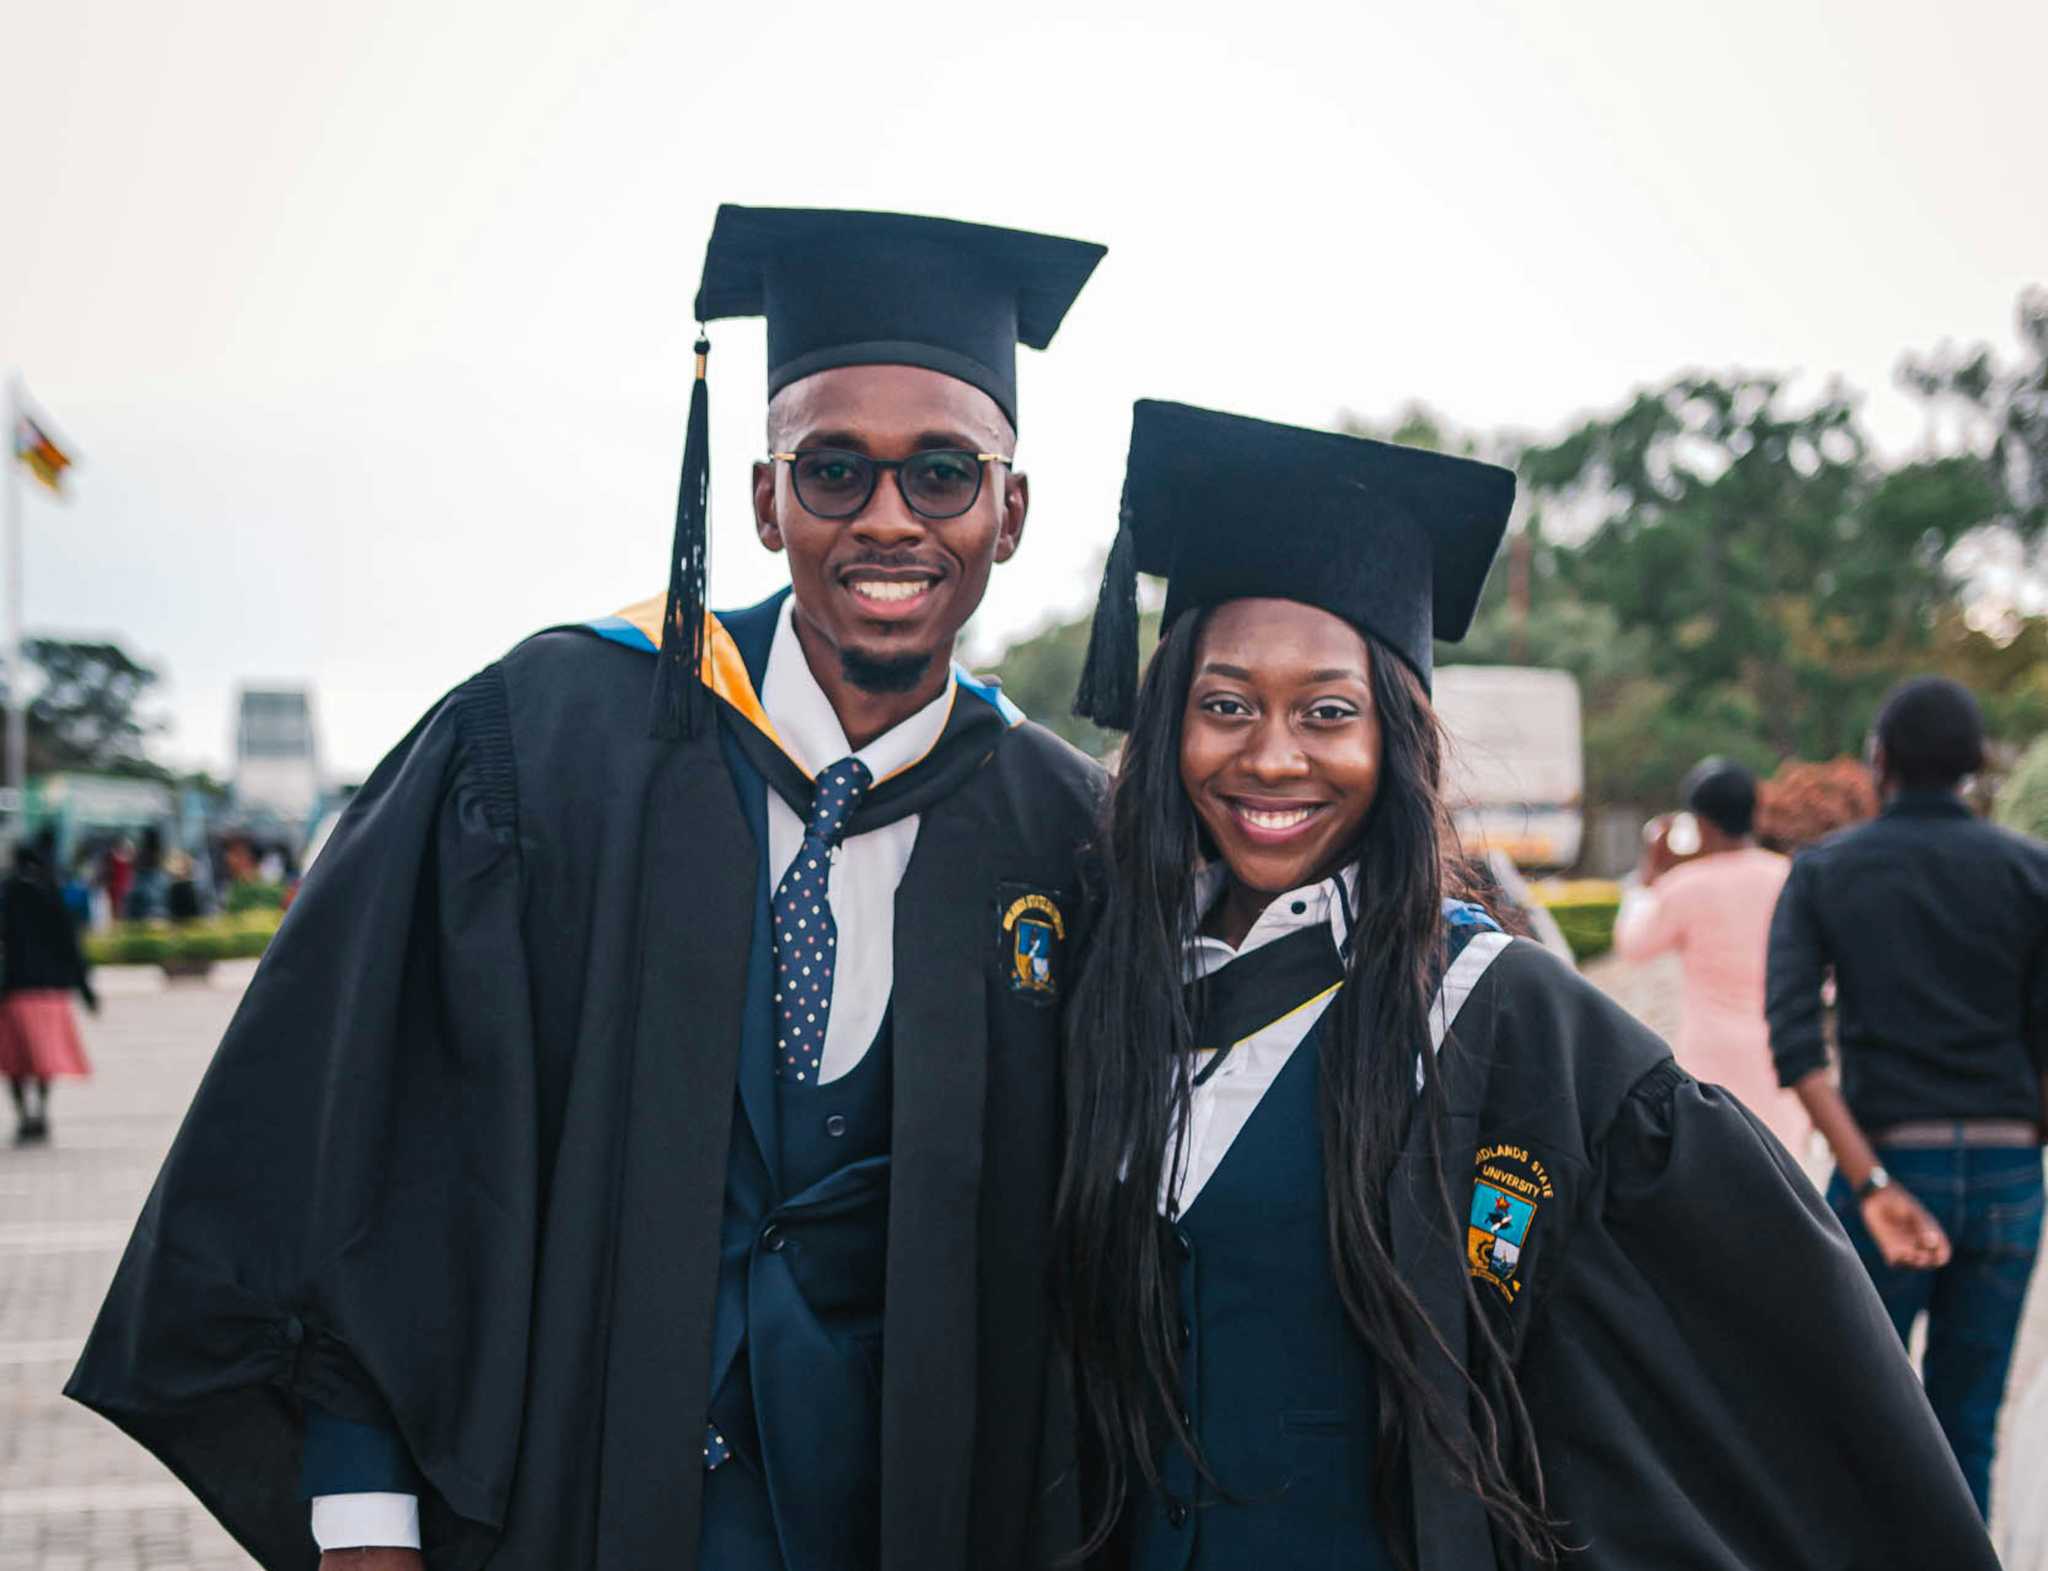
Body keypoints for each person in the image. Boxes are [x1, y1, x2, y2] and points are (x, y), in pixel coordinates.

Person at [68, 205, 1108, 1571]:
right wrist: (366, 1520)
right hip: (575, 1512)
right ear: (763, 497)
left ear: (1011, 510)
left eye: (945, 473)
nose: (890, 518)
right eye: (835, 468)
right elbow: (378, 1142)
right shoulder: (551, 741)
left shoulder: (1068, 832)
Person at [1055, 401, 1996, 1570]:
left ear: (1395, 737)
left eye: (1328, 711)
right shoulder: (1113, 992)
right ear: (1169, 723)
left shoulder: (1506, 1021)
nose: (1273, 754)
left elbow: (1782, 1366)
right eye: (1225, 702)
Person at [1766, 675, 2048, 1520]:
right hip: (2008, 1170)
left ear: (1879, 759)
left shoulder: (1824, 872)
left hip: (1885, 1160)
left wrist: (1876, 1184)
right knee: (1967, 1420)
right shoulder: (2032, 871)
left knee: (1850, 1418)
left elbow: (1796, 1043)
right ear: (1974, 764)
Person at [1611, 758, 1807, 1152]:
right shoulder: (1791, 877)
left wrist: (1649, 875)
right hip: (1782, 1060)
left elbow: (1632, 945)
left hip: (1712, 1062)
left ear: (1701, 823)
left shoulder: (1686, 886)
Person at [1, 835, 97, 1143]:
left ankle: (23, 1115)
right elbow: (70, 945)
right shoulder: (51, 893)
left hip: (13, 992)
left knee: (15, 1062)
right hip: (50, 994)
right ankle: (41, 1111)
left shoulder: (6, 894)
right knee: (43, 1061)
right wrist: (85, 990)